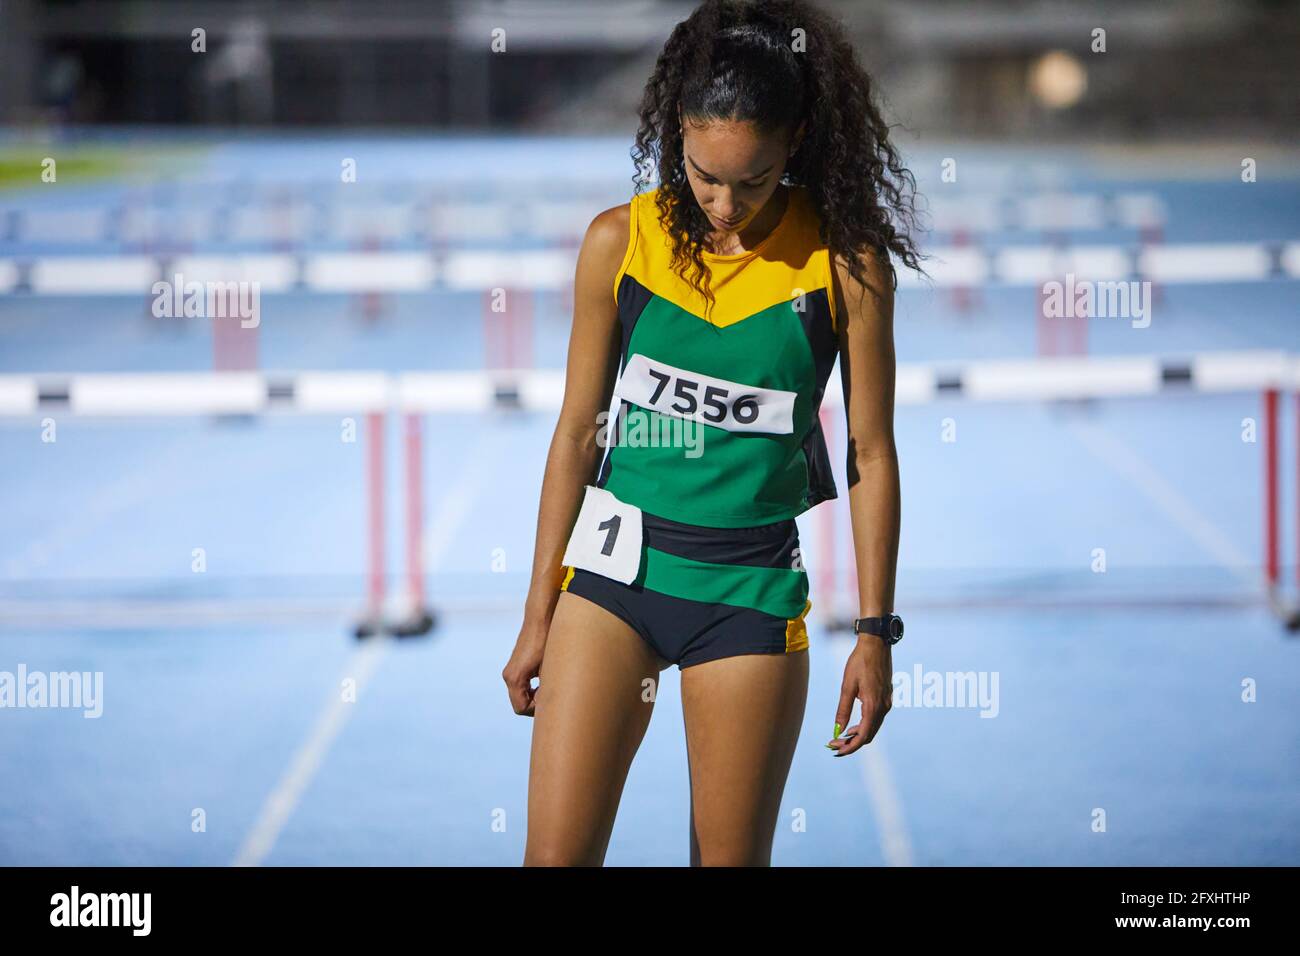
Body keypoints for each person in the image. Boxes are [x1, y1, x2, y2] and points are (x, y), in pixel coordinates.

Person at [502, 0, 924, 866]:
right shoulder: (618, 242)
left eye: (754, 181)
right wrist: (538, 612)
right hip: (613, 584)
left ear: (795, 142)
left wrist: (875, 632)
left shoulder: (846, 265)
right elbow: (578, 433)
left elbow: (871, 454)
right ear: (677, 136)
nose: (725, 205)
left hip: (748, 595)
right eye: (704, 177)